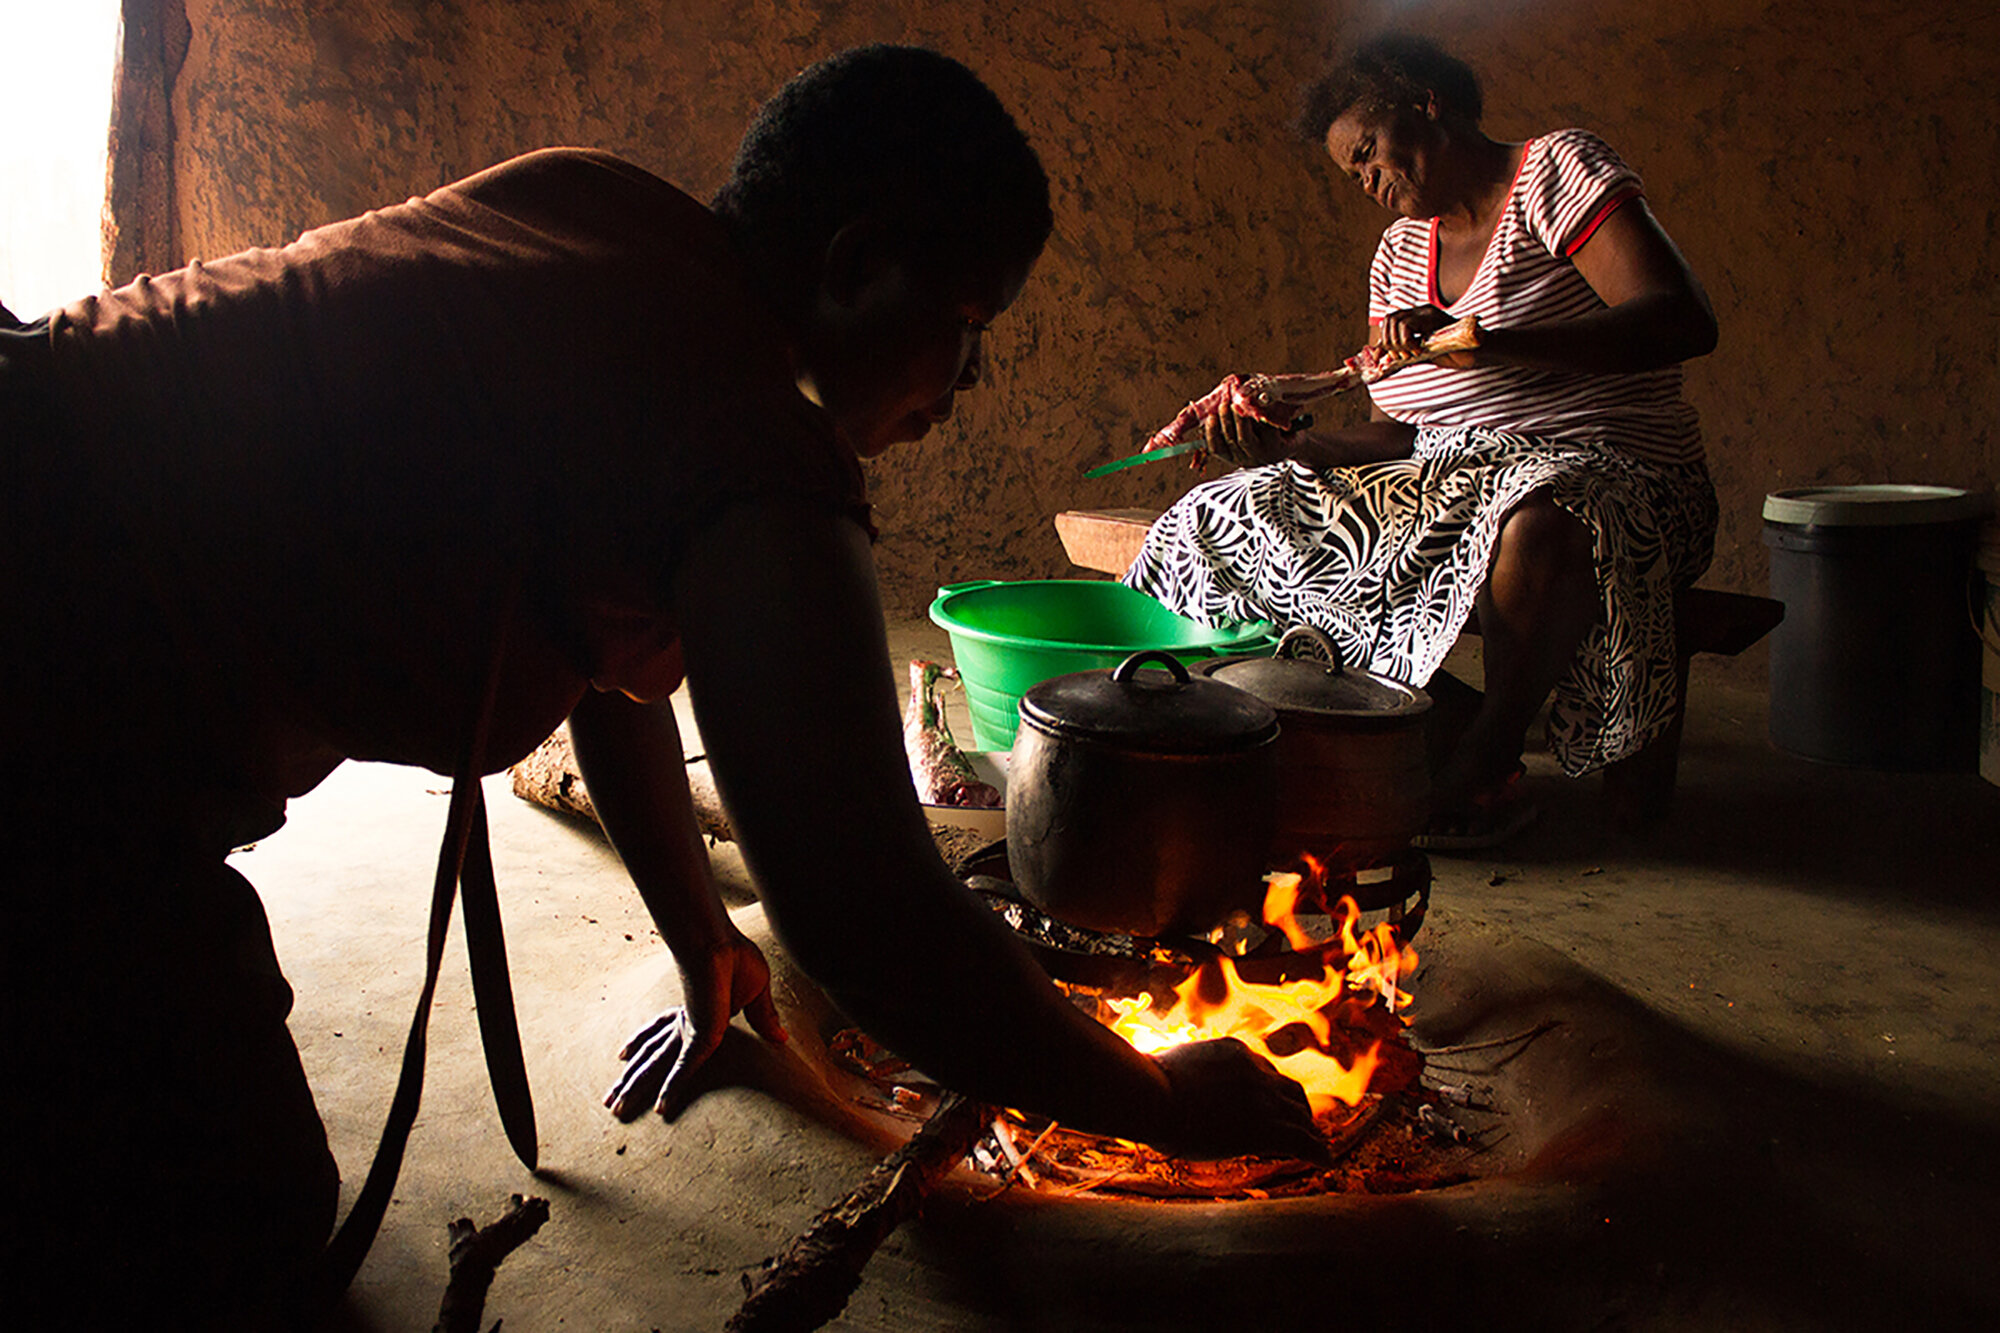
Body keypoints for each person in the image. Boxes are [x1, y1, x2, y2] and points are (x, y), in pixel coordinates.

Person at [0, 45, 1324, 1330]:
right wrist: (1162, 1103)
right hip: (50, 676)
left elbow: (608, 651)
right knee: (232, 1229)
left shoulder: (601, 215)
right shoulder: (748, 441)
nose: (967, 385)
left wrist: (701, 938)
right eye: (967, 327)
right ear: (858, 267)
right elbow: (868, 913)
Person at [1123, 33, 1719, 848]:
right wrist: (1287, 449)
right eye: (1352, 171)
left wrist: (1490, 341)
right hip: (1455, 483)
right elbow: (1405, 432)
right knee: (1233, 510)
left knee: (1543, 515)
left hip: (1621, 477)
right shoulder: (1400, 254)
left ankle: (1482, 762)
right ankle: (1417, 724)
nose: (1366, 180)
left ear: (1426, 104)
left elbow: (1682, 318)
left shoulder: (1553, 172)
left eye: (1368, 151)